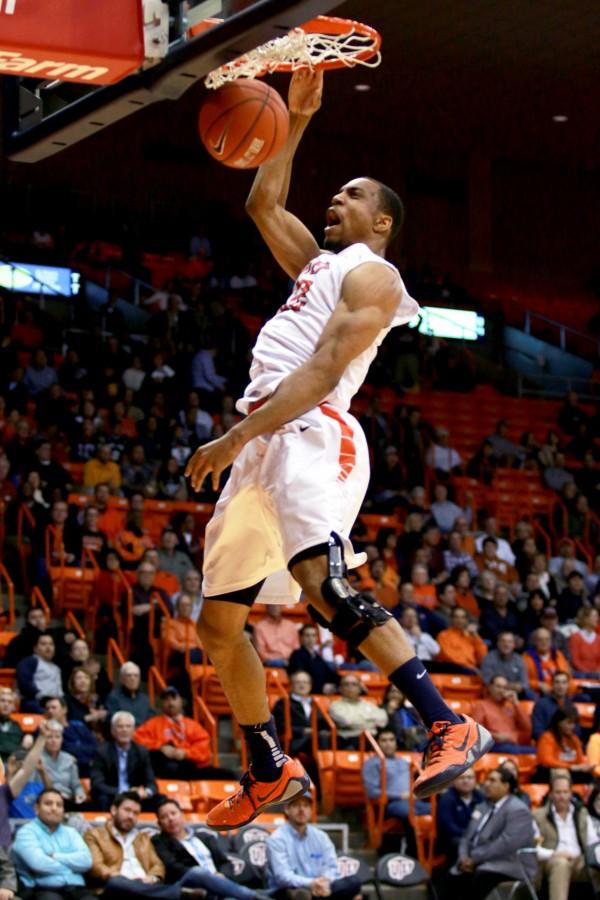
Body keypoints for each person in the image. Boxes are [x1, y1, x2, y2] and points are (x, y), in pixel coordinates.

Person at [184, 69, 491, 829]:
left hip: (312, 430)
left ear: (382, 222)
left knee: (321, 581)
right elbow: (262, 201)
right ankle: (268, 767)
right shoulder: (320, 265)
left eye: (353, 194)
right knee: (217, 627)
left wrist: (235, 434)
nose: (337, 199)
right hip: (262, 440)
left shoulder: (376, 276)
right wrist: (294, 117)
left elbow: (323, 371)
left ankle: (447, 722)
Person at [83, 791, 208, 900]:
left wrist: (153, 877)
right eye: (127, 810)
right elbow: (96, 866)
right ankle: (178, 894)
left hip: (145, 885)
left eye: (135, 813)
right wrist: (119, 877)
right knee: (117, 883)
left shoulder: (144, 838)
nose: (131, 816)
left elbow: (157, 864)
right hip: (115, 887)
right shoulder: (94, 834)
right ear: (114, 810)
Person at [441, 768, 536, 900]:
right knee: (450, 877)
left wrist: (474, 859)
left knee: (479, 877)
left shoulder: (518, 810)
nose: (486, 784)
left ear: (506, 786)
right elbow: (466, 837)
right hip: (478, 859)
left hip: (510, 863)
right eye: (487, 780)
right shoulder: (482, 806)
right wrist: (464, 858)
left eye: (492, 781)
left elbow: (505, 844)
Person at [152, 797, 270, 900]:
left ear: (182, 815)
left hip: (217, 884)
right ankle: (253, 896)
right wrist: (208, 877)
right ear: (159, 823)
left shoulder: (204, 836)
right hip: (188, 884)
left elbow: (225, 862)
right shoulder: (159, 841)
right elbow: (174, 867)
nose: (170, 819)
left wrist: (221, 875)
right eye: (164, 817)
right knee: (197, 872)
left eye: (173, 813)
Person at [267, 793, 362, 900]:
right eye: (296, 805)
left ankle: (319, 894)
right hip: (289, 890)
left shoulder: (321, 836)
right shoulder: (276, 839)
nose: (301, 809)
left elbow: (331, 866)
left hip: (320, 887)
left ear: (311, 810)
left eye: (306, 806)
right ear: (287, 809)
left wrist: (324, 881)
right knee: (299, 894)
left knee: (354, 882)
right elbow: (282, 877)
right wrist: (311, 883)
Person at [133, 687, 233, 781]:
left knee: (229, 776)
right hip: (166, 767)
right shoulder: (153, 724)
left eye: (173, 698)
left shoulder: (193, 725)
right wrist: (160, 747)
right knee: (168, 766)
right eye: (166, 699)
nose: (170, 703)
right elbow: (137, 738)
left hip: (191, 767)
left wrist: (186, 753)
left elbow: (204, 750)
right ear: (161, 703)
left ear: (181, 701)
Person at [12, 788, 94, 900]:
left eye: (59, 805)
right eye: (48, 804)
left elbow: (86, 861)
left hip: (76, 888)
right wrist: (71, 869)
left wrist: (55, 856)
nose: (54, 808)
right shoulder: (26, 832)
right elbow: (38, 864)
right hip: (42, 888)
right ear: (36, 808)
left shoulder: (71, 832)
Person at [534, 771, 600, 900]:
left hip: (580, 861)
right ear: (551, 794)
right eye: (558, 792)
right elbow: (534, 849)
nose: (562, 796)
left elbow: (593, 842)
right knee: (561, 864)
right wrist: (554, 854)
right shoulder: (538, 816)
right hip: (551, 861)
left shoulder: (581, 813)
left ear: (571, 793)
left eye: (565, 792)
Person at [362, 728, 430, 835]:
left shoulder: (404, 762)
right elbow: (372, 792)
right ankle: (412, 848)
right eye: (384, 740)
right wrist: (400, 796)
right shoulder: (372, 763)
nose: (388, 743)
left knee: (440, 810)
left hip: (413, 801)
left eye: (391, 740)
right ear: (377, 744)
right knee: (411, 813)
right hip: (391, 804)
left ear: (396, 743)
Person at [91, 711, 157, 812]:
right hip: (113, 795)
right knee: (101, 798)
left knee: (159, 799)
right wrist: (124, 792)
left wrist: (146, 792)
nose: (124, 730)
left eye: (128, 726)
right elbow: (97, 784)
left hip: (136, 797)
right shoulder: (102, 752)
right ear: (112, 731)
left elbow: (151, 783)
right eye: (120, 727)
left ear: (134, 730)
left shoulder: (141, 752)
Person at [471, 676, 534, 754]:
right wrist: (496, 736)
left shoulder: (511, 706)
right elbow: (476, 730)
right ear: (490, 687)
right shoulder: (481, 705)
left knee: (537, 751)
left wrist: (516, 703)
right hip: (494, 744)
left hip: (513, 744)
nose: (501, 690)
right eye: (498, 687)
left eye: (504, 688)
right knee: (514, 750)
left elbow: (528, 728)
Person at [33, 720, 87, 810]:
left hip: (68, 802)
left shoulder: (70, 759)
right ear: (43, 739)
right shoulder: (37, 759)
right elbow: (34, 786)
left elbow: (76, 785)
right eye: (50, 737)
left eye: (57, 737)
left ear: (62, 739)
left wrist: (80, 794)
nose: (54, 741)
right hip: (45, 800)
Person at [436, 768, 484, 863]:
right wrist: (470, 836)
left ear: (475, 781)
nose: (466, 781)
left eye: (469, 777)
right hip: (452, 839)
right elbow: (448, 827)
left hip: (475, 837)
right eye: (461, 778)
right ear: (454, 781)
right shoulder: (447, 799)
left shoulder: (480, 797)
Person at [43, 695, 99, 777]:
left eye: (53, 708)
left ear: (64, 710)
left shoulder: (78, 725)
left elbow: (94, 746)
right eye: (47, 709)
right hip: (63, 771)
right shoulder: (44, 730)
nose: (50, 711)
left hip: (88, 767)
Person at [328, 675, 388, 749]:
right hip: (351, 741)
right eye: (346, 684)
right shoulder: (335, 705)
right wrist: (371, 720)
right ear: (340, 689)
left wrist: (359, 721)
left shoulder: (369, 704)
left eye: (354, 684)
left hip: (374, 739)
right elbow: (347, 722)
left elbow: (383, 720)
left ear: (360, 688)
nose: (350, 687)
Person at [536, 709, 593, 783]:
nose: (572, 726)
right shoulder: (547, 737)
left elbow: (580, 760)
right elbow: (546, 761)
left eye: (573, 723)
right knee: (560, 773)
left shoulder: (575, 739)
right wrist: (571, 767)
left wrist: (585, 767)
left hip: (571, 771)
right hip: (549, 772)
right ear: (559, 723)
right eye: (569, 723)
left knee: (587, 776)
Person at [16, 633, 64, 713]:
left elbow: (60, 691)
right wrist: (43, 698)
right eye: (43, 644)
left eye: (51, 644)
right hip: (35, 702)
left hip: (54, 704)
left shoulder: (57, 668)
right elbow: (25, 684)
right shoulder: (31, 661)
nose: (48, 647)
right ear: (35, 648)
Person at [288, 624, 339, 694]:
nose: (311, 638)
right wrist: (322, 688)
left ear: (317, 638)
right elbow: (301, 679)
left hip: (321, 692)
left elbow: (331, 675)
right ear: (301, 637)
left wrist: (342, 682)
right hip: (308, 693)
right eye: (307, 635)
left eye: (313, 635)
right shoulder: (297, 655)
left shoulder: (317, 657)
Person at [480, 632, 533, 698]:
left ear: (514, 645)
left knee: (531, 695)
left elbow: (525, 684)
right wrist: (509, 686)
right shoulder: (488, 658)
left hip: (516, 693)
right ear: (498, 644)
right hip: (494, 693)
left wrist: (516, 688)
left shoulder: (519, 659)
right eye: (503, 641)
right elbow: (487, 681)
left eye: (510, 642)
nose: (506, 644)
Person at [435, 607, 487, 673]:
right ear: (451, 619)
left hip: (471, 669)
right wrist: (469, 666)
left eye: (463, 617)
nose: (459, 620)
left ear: (466, 620)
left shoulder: (472, 636)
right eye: (456, 617)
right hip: (453, 669)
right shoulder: (444, 635)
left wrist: (476, 637)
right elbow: (447, 656)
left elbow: (483, 658)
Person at [524, 628, 572, 696]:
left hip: (559, 691)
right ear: (535, 641)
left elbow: (565, 675)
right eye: (540, 640)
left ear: (551, 641)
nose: (544, 642)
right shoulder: (526, 657)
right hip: (539, 693)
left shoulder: (558, 654)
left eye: (547, 639)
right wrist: (539, 685)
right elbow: (524, 681)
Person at [532, 670, 578, 741]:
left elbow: (577, 731)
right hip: (548, 744)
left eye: (564, 682)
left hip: (568, 745)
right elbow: (537, 731)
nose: (560, 686)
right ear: (552, 685)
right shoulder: (541, 704)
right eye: (557, 682)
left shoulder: (572, 706)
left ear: (568, 685)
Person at [0, 687, 26, 761]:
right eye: (2, 701)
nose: (6, 704)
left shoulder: (17, 726)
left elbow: (19, 749)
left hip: (12, 763)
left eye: (10, 702)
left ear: (13, 707)